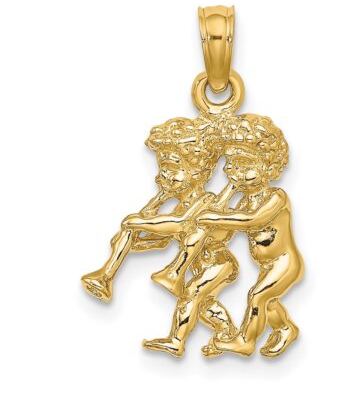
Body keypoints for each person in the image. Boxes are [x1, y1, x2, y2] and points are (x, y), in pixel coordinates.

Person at [81, 117, 237, 354]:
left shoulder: (207, 201)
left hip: (218, 262)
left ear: (197, 172)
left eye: (172, 169)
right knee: (203, 304)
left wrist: (139, 221)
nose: (163, 176)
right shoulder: (180, 205)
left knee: (192, 294)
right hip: (198, 264)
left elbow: (179, 225)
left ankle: (177, 341)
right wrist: (130, 243)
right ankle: (226, 333)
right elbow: (163, 241)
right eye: (162, 169)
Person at [196, 113, 304, 357]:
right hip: (267, 265)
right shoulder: (245, 201)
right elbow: (225, 234)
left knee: (257, 297)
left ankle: (245, 341)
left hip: (285, 263)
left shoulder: (276, 197)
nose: (236, 173)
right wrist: (221, 202)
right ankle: (285, 329)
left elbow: (252, 220)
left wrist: (215, 218)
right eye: (231, 166)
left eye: (245, 166)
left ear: (268, 167)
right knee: (268, 301)